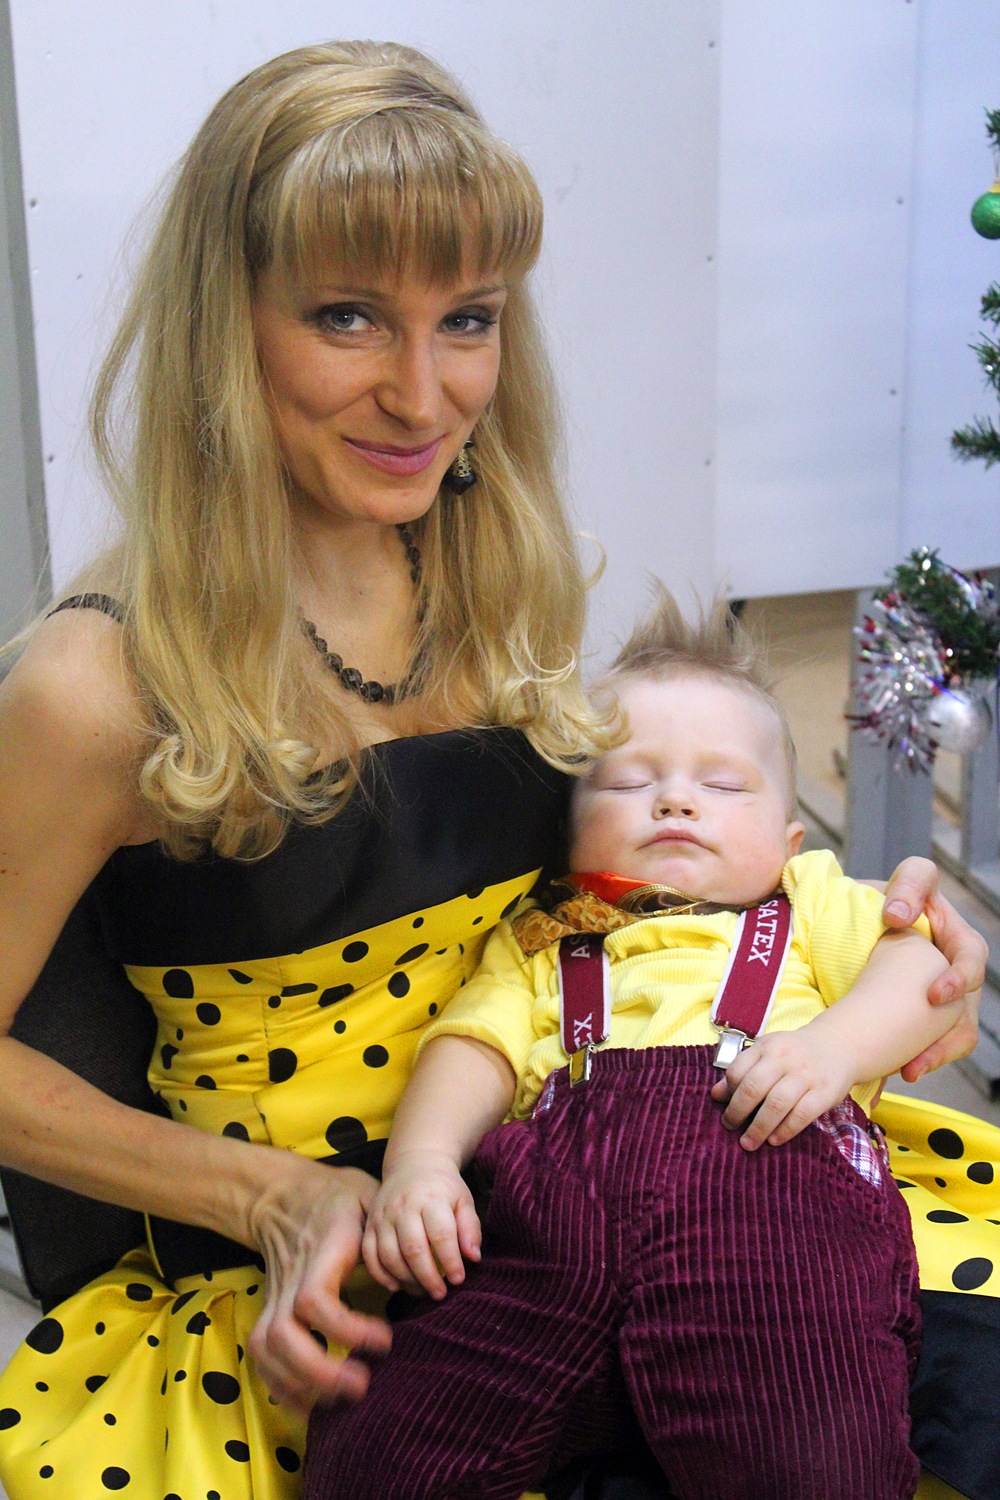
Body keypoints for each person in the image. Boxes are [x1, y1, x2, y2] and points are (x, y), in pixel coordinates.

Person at [0, 38, 986, 1500]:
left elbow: (606, 911)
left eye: (465, 320)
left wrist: (859, 937)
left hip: (640, 1177)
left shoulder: (488, 582)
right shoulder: (95, 685)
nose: (423, 395)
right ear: (224, 326)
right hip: (342, 1277)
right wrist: (274, 1197)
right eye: (348, 317)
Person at [304, 593, 960, 1500]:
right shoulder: (546, 934)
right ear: (570, 837)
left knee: (820, 1458)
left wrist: (833, 1051)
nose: (676, 800)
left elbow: (923, 973)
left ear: (789, 838)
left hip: (767, 1232)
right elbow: (473, 1047)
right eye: (626, 784)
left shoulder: (805, 902)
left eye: (723, 786)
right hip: (546, 1244)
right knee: (376, 1456)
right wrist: (422, 1163)